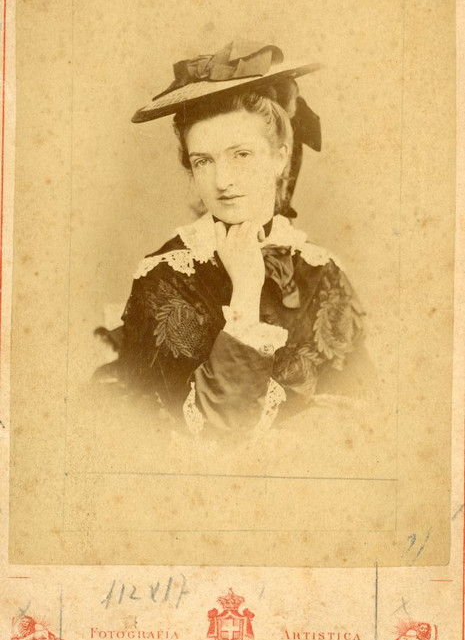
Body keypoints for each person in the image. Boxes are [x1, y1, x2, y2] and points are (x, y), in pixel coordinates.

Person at [94, 39, 374, 437]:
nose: (222, 180)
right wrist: (245, 290)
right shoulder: (165, 277)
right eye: (203, 161)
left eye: (241, 154)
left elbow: (363, 418)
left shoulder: (323, 271)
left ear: (280, 157)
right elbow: (217, 435)